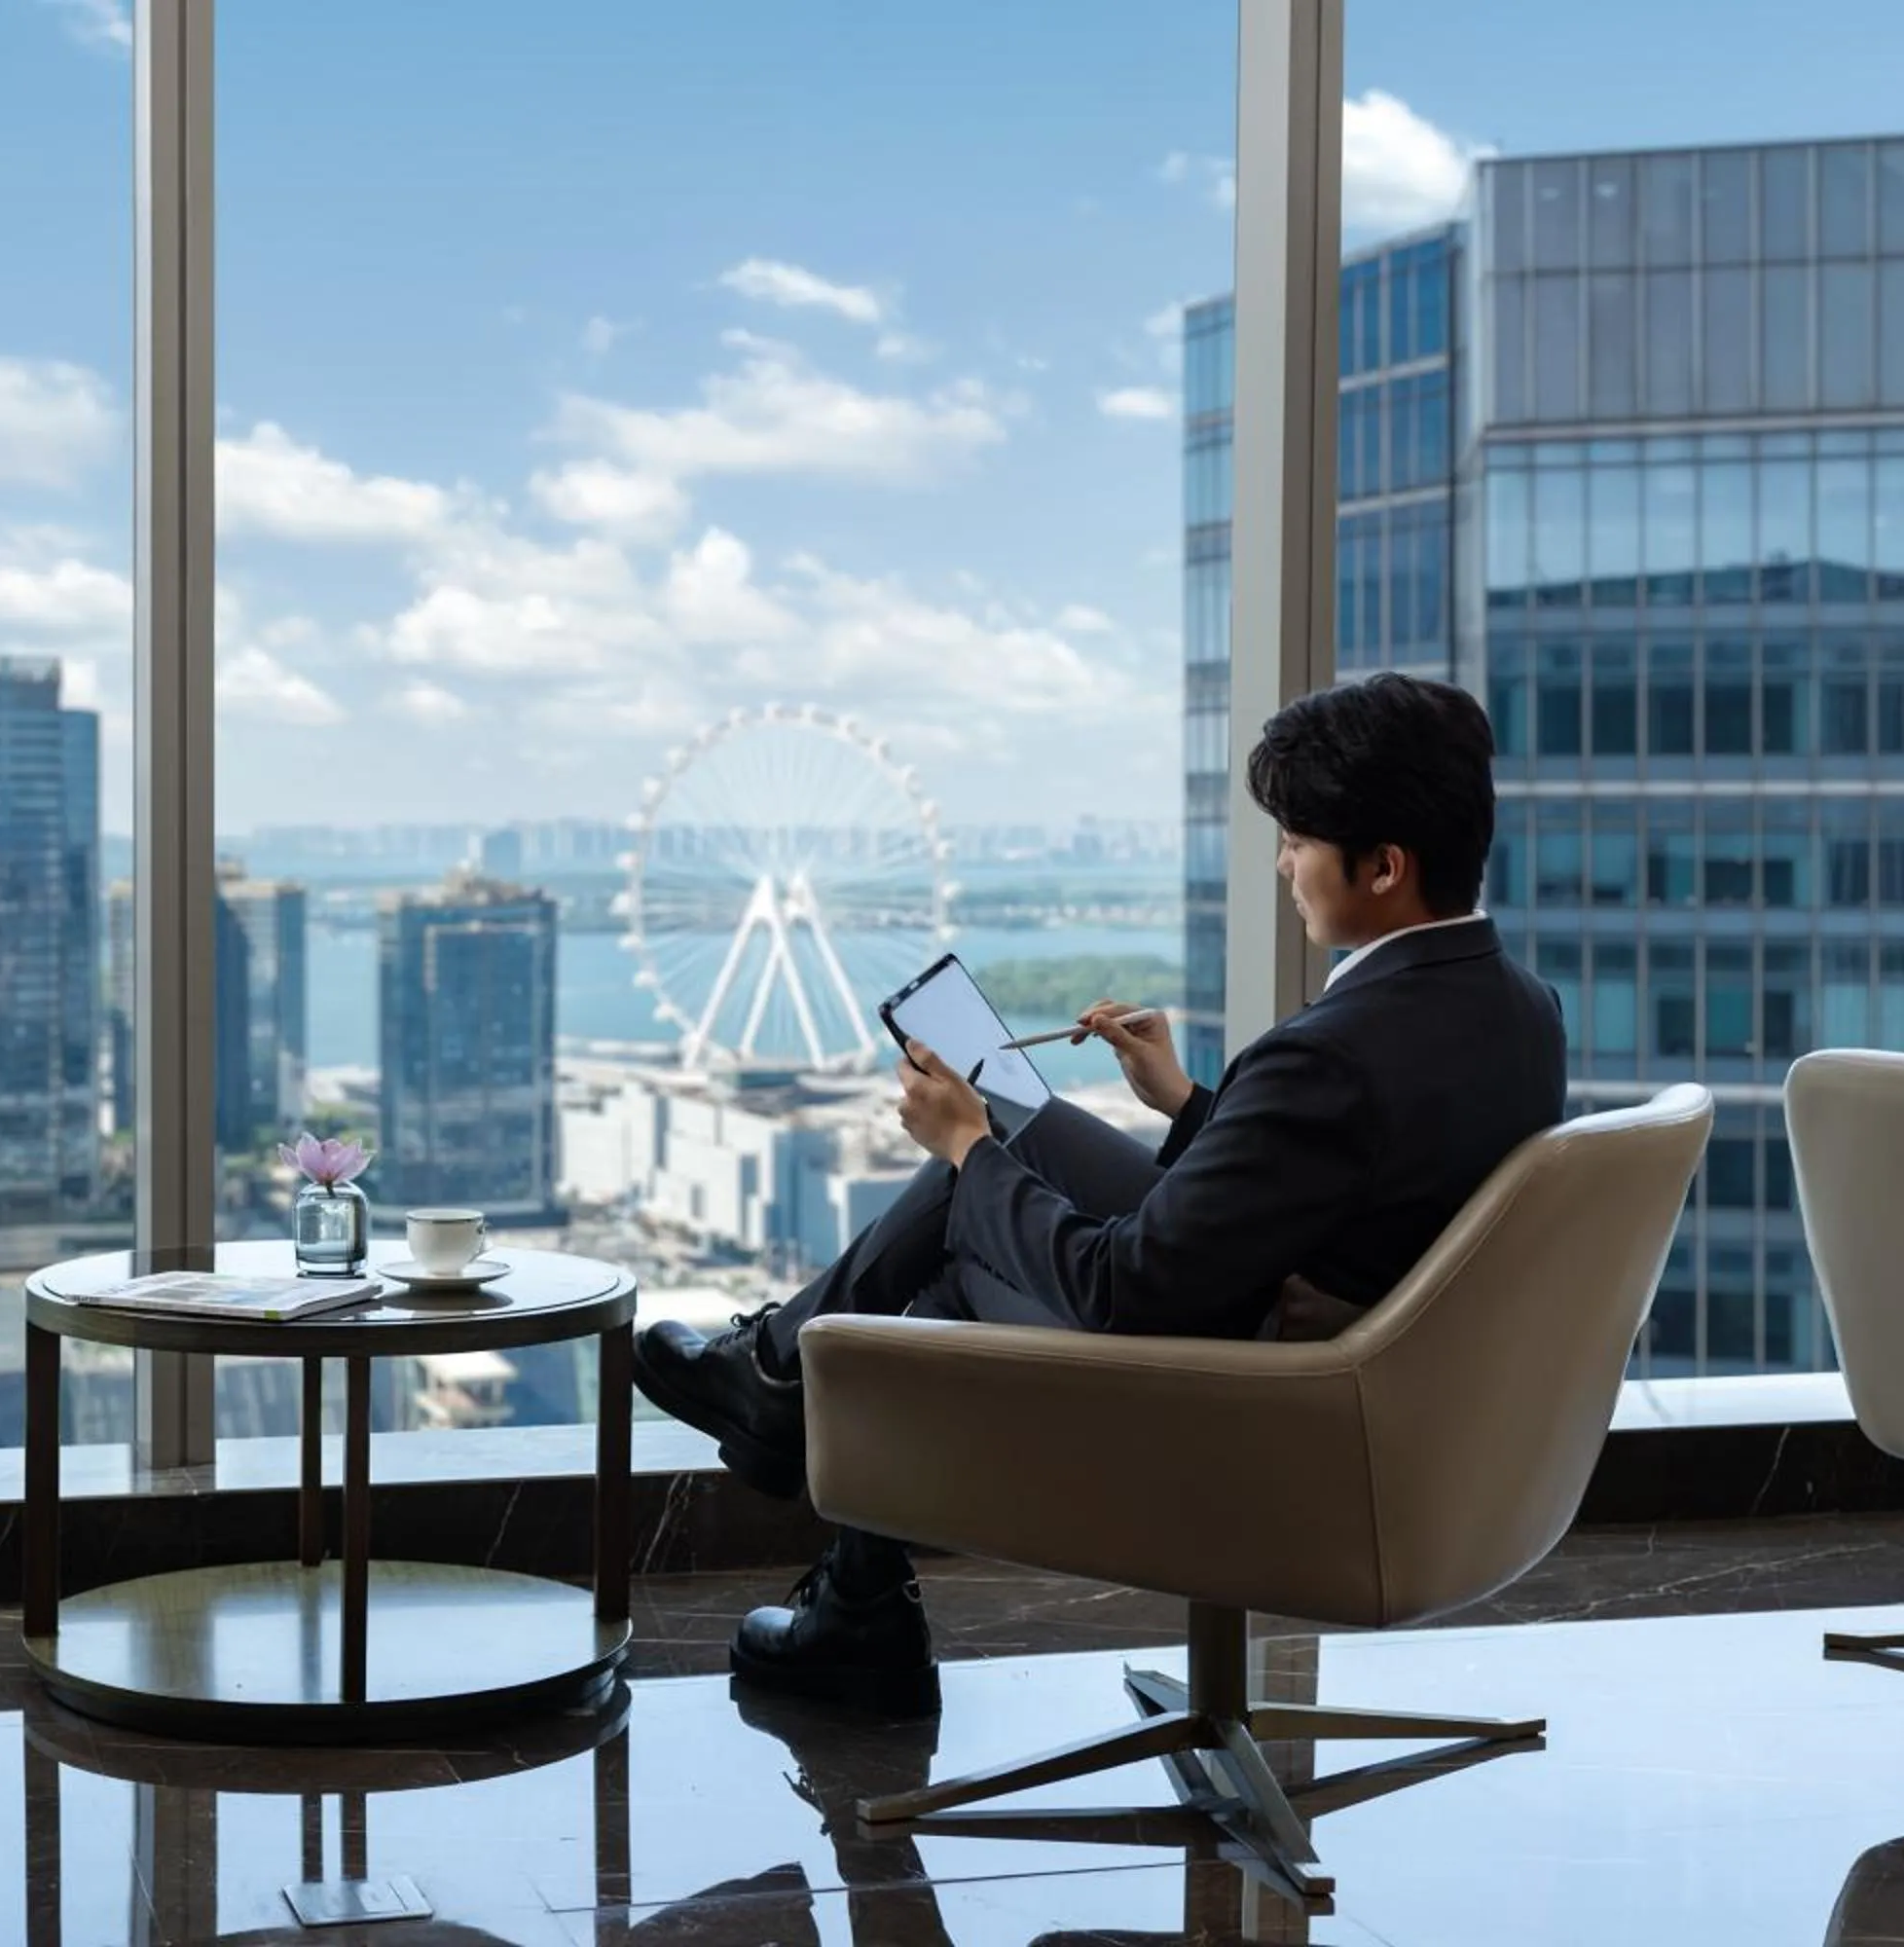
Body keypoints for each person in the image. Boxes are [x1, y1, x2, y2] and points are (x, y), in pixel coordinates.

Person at [632, 673, 1567, 1713]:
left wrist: (964, 1151)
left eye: (1298, 839)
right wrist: (1185, 1101)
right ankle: (821, 1509)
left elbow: (1122, 1292)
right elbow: (1355, 1185)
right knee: (1025, 1127)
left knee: (968, 1218)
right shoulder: (1520, 1008)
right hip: (1389, 1398)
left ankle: (803, 1457)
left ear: (1385, 866)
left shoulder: (1330, 1056)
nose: (1283, 863)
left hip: (1263, 1415)